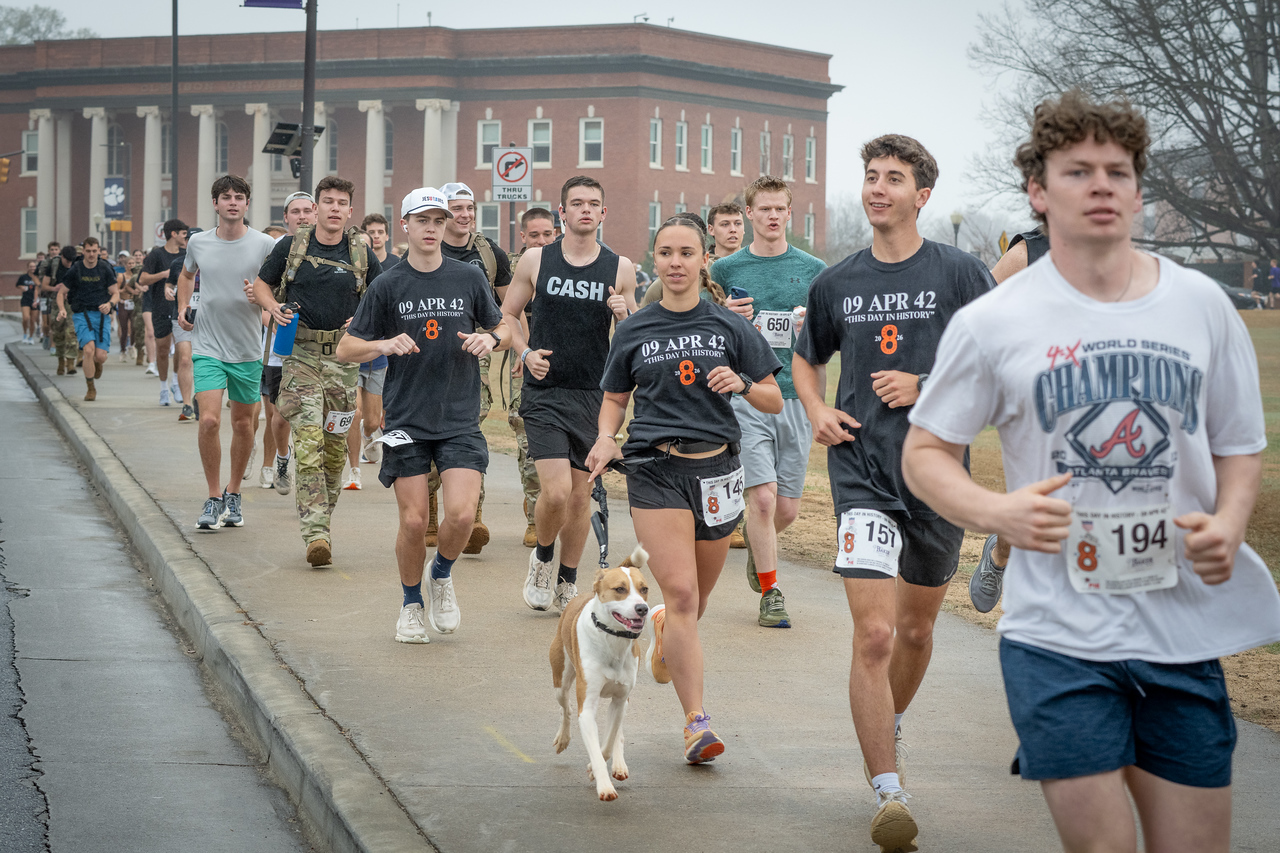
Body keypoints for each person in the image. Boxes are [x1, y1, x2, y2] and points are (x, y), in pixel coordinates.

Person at [901, 90, 1280, 853]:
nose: (1102, 184)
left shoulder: (1202, 306)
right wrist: (997, 513)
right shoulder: (995, 322)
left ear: (1140, 189)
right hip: (1056, 634)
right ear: (1039, 192)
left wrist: (1231, 519)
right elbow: (924, 451)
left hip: (1181, 633)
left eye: (1118, 170)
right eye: (1078, 170)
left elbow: (1241, 447)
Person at [792, 133, 994, 852]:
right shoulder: (836, 282)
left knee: (915, 631)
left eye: (894, 178)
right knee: (875, 633)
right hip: (862, 474)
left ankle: (886, 721)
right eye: (871, 176)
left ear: (922, 195)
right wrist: (816, 409)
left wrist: (926, 386)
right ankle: (888, 788)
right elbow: (806, 358)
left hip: (939, 475)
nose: (878, 187)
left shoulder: (962, 272)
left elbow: (1000, 368)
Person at [586, 214, 782, 763]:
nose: (676, 262)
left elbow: (773, 398)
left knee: (694, 606)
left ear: (703, 260)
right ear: (657, 259)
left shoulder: (729, 326)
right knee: (683, 594)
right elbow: (615, 398)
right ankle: (697, 724)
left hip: (717, 472)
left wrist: (743, 383)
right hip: (654, 469)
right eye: (666, 252)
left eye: (686, 252)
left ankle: (669, 635)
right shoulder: (636, 328)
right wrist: (606, 439)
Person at [336, 187, 509, 642]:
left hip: (459, 416)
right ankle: (411, 603)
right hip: (408, 418)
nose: (432, 228)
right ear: (405, 226)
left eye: (439, 220)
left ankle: (442, 574)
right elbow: (345, 347)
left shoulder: (468, 278)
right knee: (414, 521)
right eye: (423, 220)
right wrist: (383, 344)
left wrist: (490, 340)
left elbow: (502, 327)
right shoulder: (388, 284)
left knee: (461, 515)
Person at [500, 175, 638, 613]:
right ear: (562, 212)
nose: (584, 210)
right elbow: (507, 314)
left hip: (594, 397)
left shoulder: (620, 268)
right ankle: (542, 557)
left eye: (592, 203)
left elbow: (634, 337)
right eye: (575, 203)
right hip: (545, 391)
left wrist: (626, 312)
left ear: (603, 213)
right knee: (556, 492)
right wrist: (524, 352)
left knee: (581, 497)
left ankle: (567, 578)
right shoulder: (536, 260)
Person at [713, 176, 827, 628]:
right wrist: (726, 316)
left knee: (786, 509)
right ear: (750, 214)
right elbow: (704, 334)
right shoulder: (725, 271)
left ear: (789, 213)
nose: (773, 217)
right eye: (764, 209)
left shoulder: (815, 269)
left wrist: (809, 327)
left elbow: (829, 337)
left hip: (797, 395)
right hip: (748, 393)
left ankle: (760, 548)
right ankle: (771, 589)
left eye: (780, 209)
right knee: (761, 499)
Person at [252, 176, 382, 567]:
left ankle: (322, 515)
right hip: (301, 355)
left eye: (342, 202)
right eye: (327, 201)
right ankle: (316, 533)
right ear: (318, 207)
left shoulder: (361, 251)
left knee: (334, 447)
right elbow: (262, 284)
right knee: (308, 438)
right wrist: (272, 307)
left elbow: (381, 295)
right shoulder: (292, 246)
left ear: (349, 210)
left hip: (343, 361)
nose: (334, 209)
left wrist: (364, 319)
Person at [419, 181, 514, 554]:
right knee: (426, 431)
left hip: (474, 353)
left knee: (469, 431)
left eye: (469, 208)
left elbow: (508, 310)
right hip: (425, 355)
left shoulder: (489, 253)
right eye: (456, 209)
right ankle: (428, 512)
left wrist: (506, 341)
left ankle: (473, 516)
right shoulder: (428, 247)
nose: (464, 215)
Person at [178, 176, 277, 530]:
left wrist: (261, 299)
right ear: (216, 204)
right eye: (225, 197)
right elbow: (186, 276)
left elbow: (276, 287)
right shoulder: (198, 242)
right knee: (208, 420)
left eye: (239, 197)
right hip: (207, 345)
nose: (232, 202)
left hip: (248, 348)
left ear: (247, 204)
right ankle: (213, 495)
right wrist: (183, 306)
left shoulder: (265, 244)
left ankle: (234, 491)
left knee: (242, 423)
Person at [965, 226, 1050, 614]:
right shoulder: (1029, 251)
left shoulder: (1119, 255)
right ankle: (1000, 555)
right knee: (1033, 489)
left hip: (1097, 392)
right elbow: (979, 313)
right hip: (1036, 389)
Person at [258, 192, 314, 493]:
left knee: (314, 421)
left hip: (319, 350)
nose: (302, 217)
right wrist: (273, 315)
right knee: (280, 417)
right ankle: (282, 458)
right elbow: (262, 293)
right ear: (286, 218)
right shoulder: (281, 249)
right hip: (282, 347)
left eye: (307, 211)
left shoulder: (330, 246)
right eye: (296, 212)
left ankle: (310, 481)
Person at [505, 207, 554, 547]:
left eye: (547, 234)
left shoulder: (567, 263)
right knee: (528, 442)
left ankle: (549, 507)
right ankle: (535, 518)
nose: (541, 240)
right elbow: (505, 314)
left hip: (564, 367)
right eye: (533, 235)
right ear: (523, 237)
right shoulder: (514, 268)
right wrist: (521, 351)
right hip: (525, 363)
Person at [342, 212, 401, 491]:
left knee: (372, 418)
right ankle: (353, 469)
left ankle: (369, 435)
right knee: (353, 412)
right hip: (351, 351)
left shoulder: (390, 270)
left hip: (378, 354)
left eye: (379, 233)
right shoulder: (343, 270)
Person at [56, 236, 120, 401]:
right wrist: (62, 309)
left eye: (94, 251)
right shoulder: (75, 269)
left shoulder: (105, 268)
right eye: (88, 251)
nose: (91, 254)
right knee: (88, 350)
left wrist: (110, 304)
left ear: (98, 251)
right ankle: (90, 388)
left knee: (100, 356)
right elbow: (61, 293)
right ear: (83, 251)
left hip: (102, 315)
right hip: (81, 314)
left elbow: (115, 293)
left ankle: (98, 364)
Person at [141, 220, 188, 379]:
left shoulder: (186, 255)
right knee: (162, 349)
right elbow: (143, 279)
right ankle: (163, 386)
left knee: (181, 350)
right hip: (160, 307)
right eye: (183, 233)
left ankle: (176, 381)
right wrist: (163, 274)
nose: (185, 236)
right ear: (173, 234)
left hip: (180, 308)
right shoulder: (156, 255)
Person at [45, 246, 79, 374]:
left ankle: (70, 363)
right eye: (67, 261)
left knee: (71, 332)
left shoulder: (77, 265)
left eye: (71, 261)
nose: (69, 264)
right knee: (58, 333)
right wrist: (55, 289)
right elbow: (44, 285)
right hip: (56, 303)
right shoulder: (54, 265)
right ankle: (61, 362)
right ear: (62, 257)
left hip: (72, 303)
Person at [34, 241, 60, 351]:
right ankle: (46, 335)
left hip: (57, 295)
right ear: (48, 251)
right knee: (46, 323)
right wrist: (40, 285)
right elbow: (35, 276)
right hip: (45, 295)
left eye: (56, 249)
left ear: (59, 250)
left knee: (53, 320)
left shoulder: (61, 262)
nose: (54, 252)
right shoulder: (44, 263)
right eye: (52, 250)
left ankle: (54, 344)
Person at [16, 260, 38, 343]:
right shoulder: (23, 277)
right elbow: (17, 285)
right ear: (28, 267)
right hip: (25, 299)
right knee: (26, 318)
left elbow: (38, 288)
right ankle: (25, 333)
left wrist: (36, 300)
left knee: (33, 320)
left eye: (34, 266)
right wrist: (21, 287)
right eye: (31, 266)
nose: (32, 268)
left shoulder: (37, 277)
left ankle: (31, 337)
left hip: (35, 300)